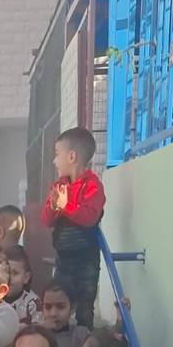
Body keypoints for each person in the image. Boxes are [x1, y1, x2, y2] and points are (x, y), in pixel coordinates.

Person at [41, 126, 105, 329]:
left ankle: (83, 340)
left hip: (86, 259)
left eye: (57, 154)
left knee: (84, 306)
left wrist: (65, 205)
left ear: (71, 157)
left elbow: (89, 217)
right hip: (63, 258)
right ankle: (57, 337)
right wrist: (53, 207)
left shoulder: (93, 186)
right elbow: (46, 220)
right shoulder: (58, 187)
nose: (54, 161)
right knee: (59, 300)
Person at [39, 277, 86, 347]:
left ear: (73, 308)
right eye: (48, 307)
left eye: (61, 307)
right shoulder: (36, 335)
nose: (53, 314)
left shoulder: (80, 336)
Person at [6, 246, 40, 324]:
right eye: (6, 272)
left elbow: (37, 328)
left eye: (15, 273)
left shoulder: (33, 303)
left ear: (26, 277)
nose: (9, 277)